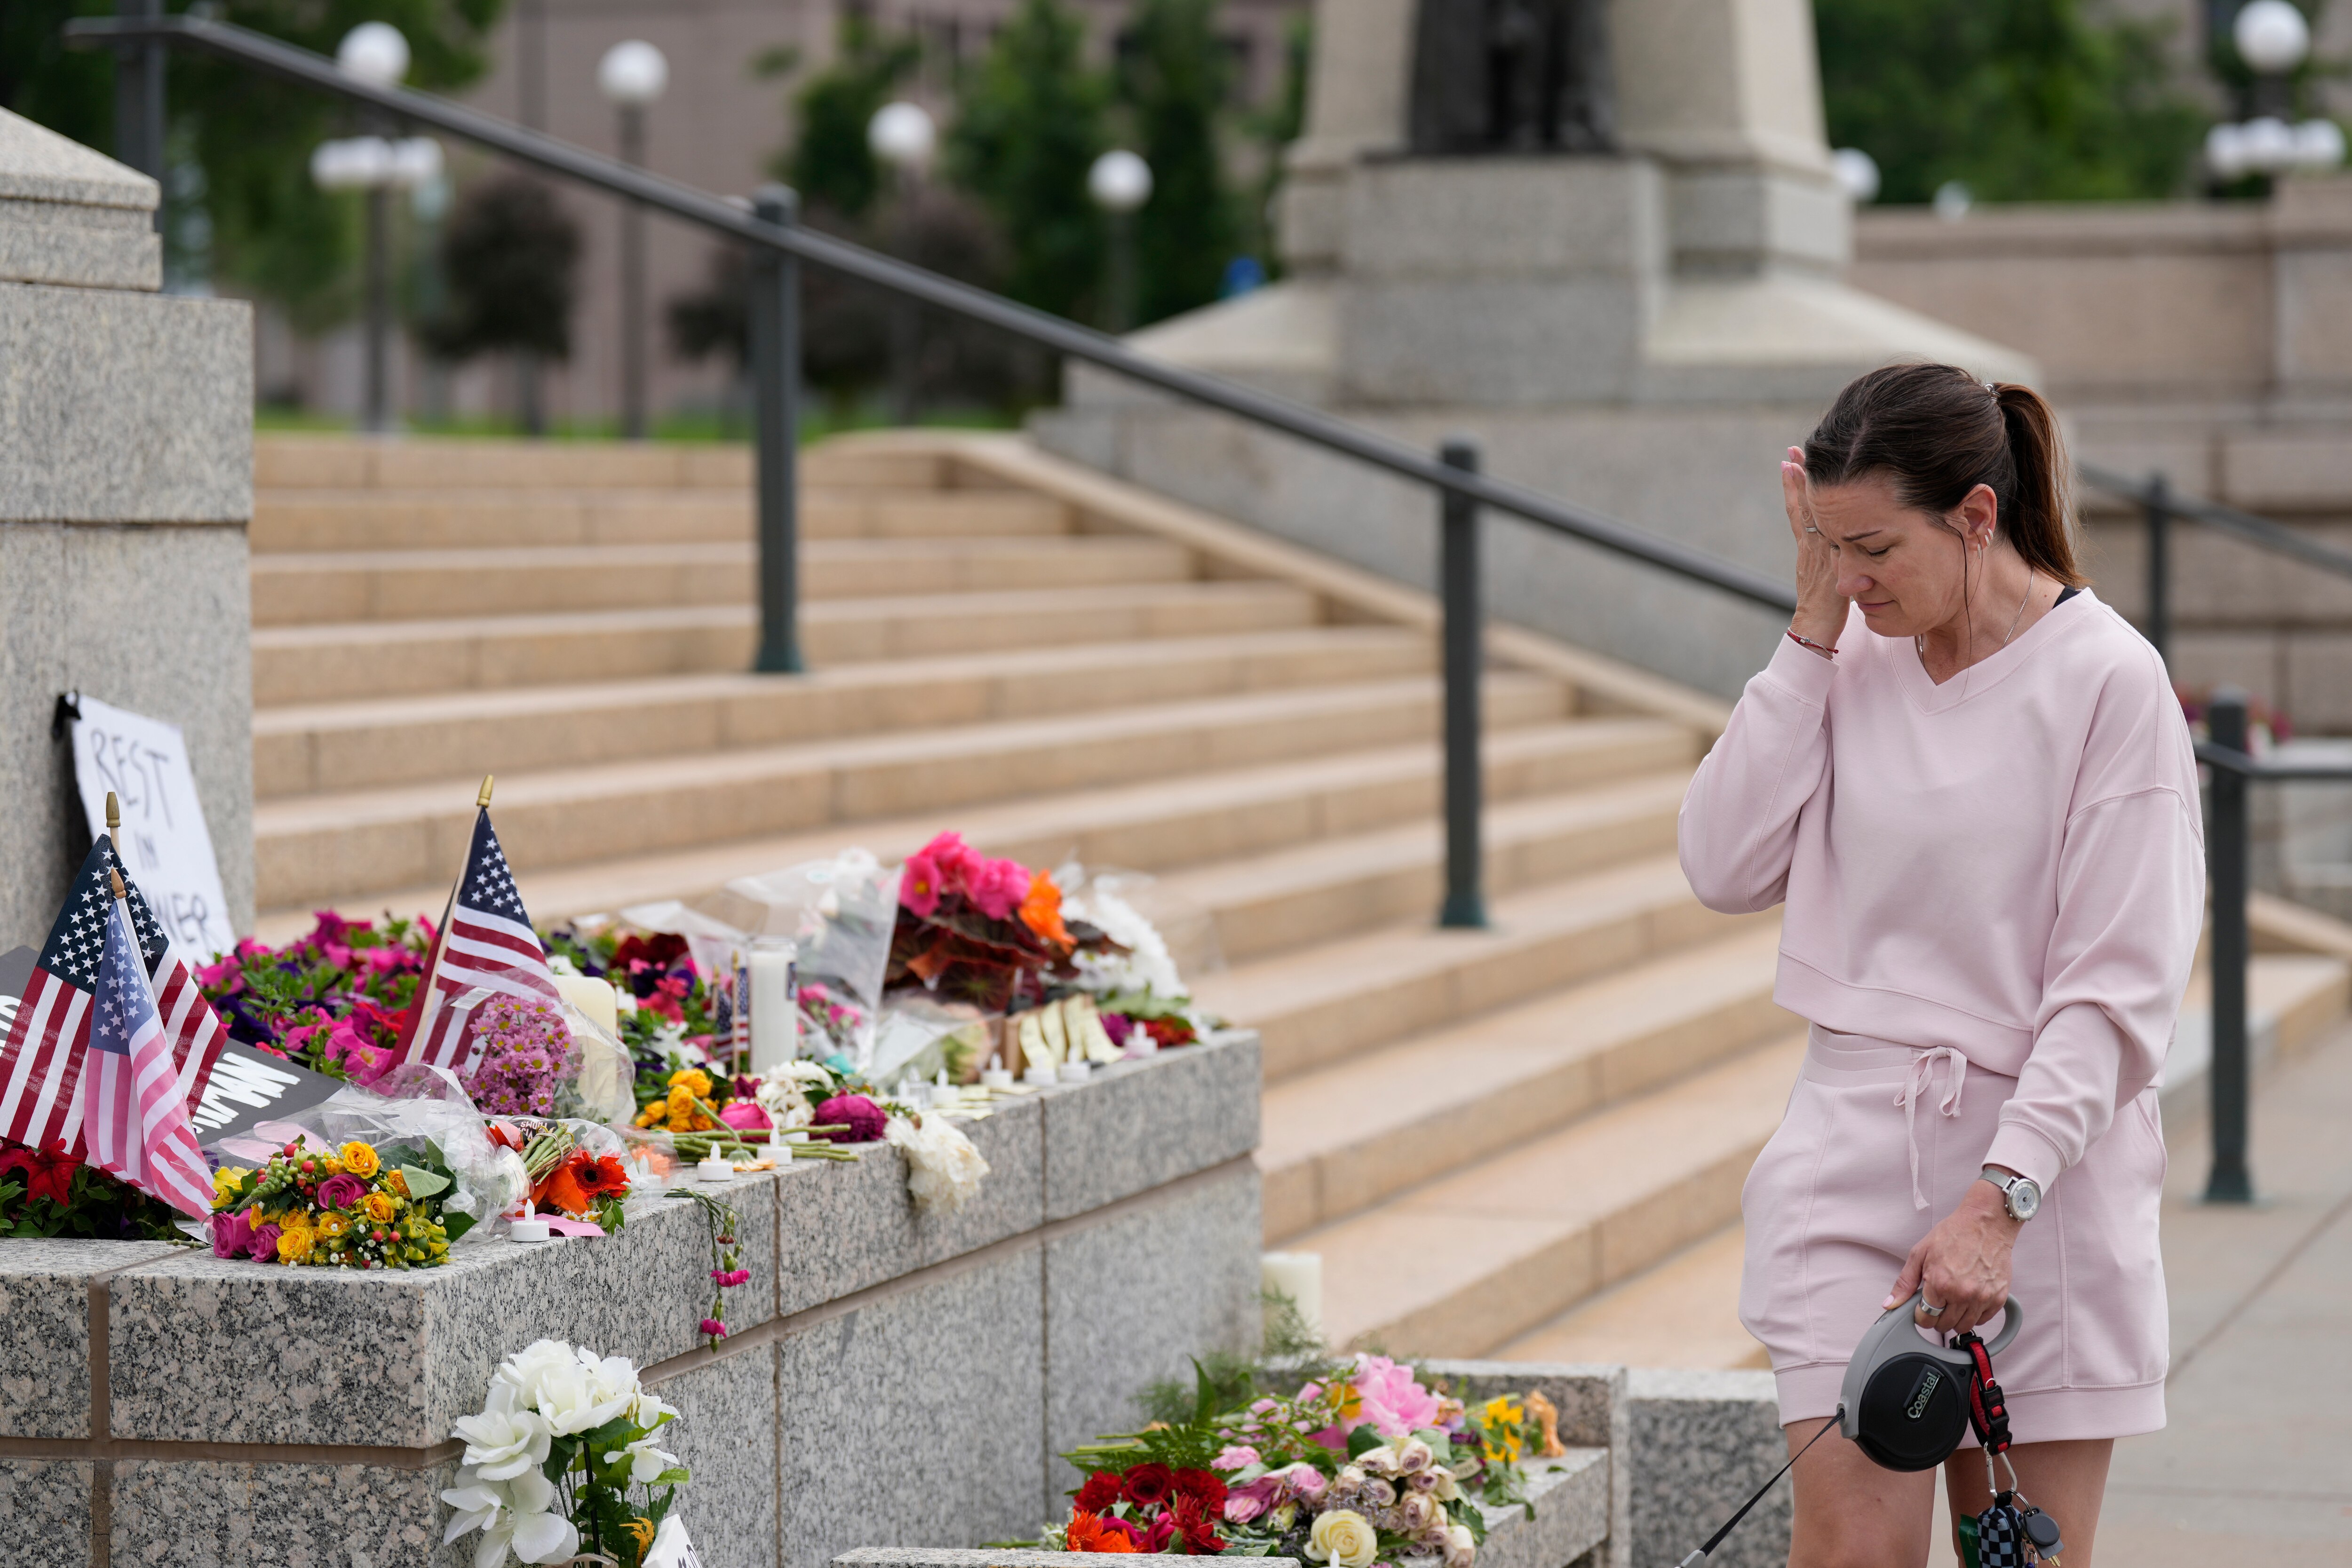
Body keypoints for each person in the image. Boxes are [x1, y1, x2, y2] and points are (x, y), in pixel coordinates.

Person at [1678, 363, 2202, 1568]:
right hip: (1847, 1147)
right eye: (1823, 543)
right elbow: (1719, 863)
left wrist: (1998, 1197)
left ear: (1975, 515)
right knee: (1849, 1551)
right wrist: (1807, 635)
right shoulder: (1842, 655)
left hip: (2042, 1183)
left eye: (1869, 546)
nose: (1847, 577)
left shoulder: (2107, 682)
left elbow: (2117, 989)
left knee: (2013, 1558)